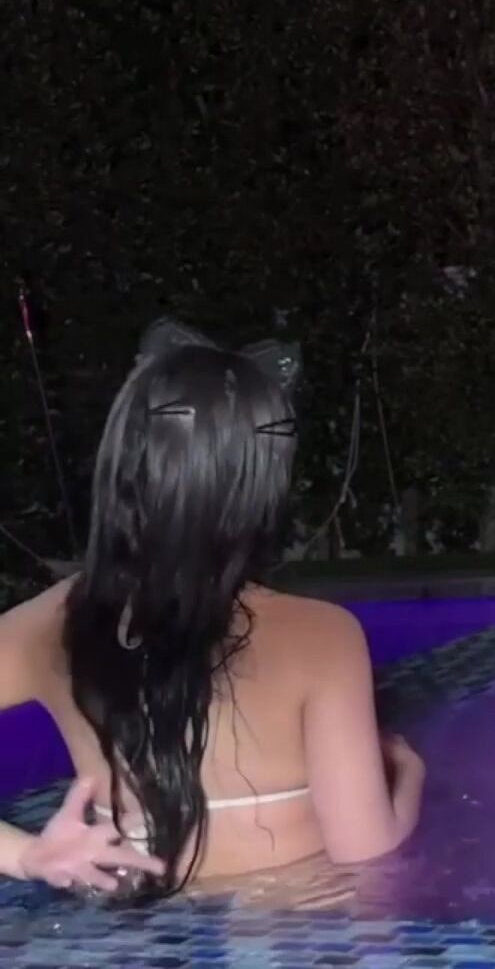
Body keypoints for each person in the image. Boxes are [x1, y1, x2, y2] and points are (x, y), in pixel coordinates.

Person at [0, 321, 426, 903]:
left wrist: (27, 857)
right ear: (265, 483)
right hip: (290, 922)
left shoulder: (50, 625)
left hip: (120, 927)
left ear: (121, 463)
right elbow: (365, 858)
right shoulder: (322, 636)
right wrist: (410, 775)